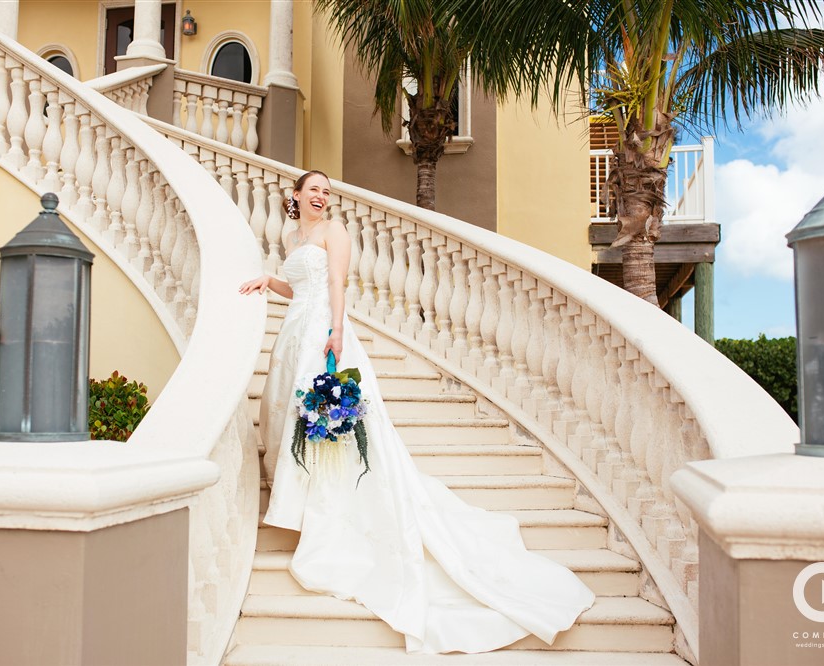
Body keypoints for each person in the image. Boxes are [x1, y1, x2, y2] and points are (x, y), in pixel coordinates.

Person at [239, 170, 595, 654]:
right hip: (294, 330)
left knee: (331, 430)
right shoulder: (291, 234)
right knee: (292, 418)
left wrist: (337, 333)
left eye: (327, 190)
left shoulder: (334, 231)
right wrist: (270, 280)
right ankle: (303, 505)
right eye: (314, 189)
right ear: (296, 196)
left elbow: (337, 284)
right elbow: (300, 285)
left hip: (323, 331)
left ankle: (331, 516)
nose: (321, 196)